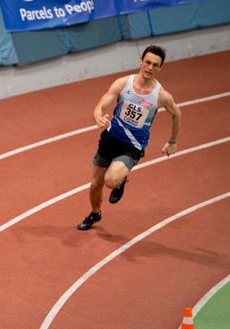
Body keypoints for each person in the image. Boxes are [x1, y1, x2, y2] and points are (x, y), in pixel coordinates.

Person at [77, 45, 181, 231]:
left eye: (155, 65)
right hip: (110, 139)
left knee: (110, 181)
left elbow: (176, 114)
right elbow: (102, 102)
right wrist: (98, 115)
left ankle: (121, 178)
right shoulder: (123, 83)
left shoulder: (161, 96)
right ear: (140, 62)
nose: (150, 67)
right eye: (147, 62)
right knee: (95, 184)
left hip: (132, 146)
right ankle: (95, 213)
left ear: (160, 68)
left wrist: (173, 140)